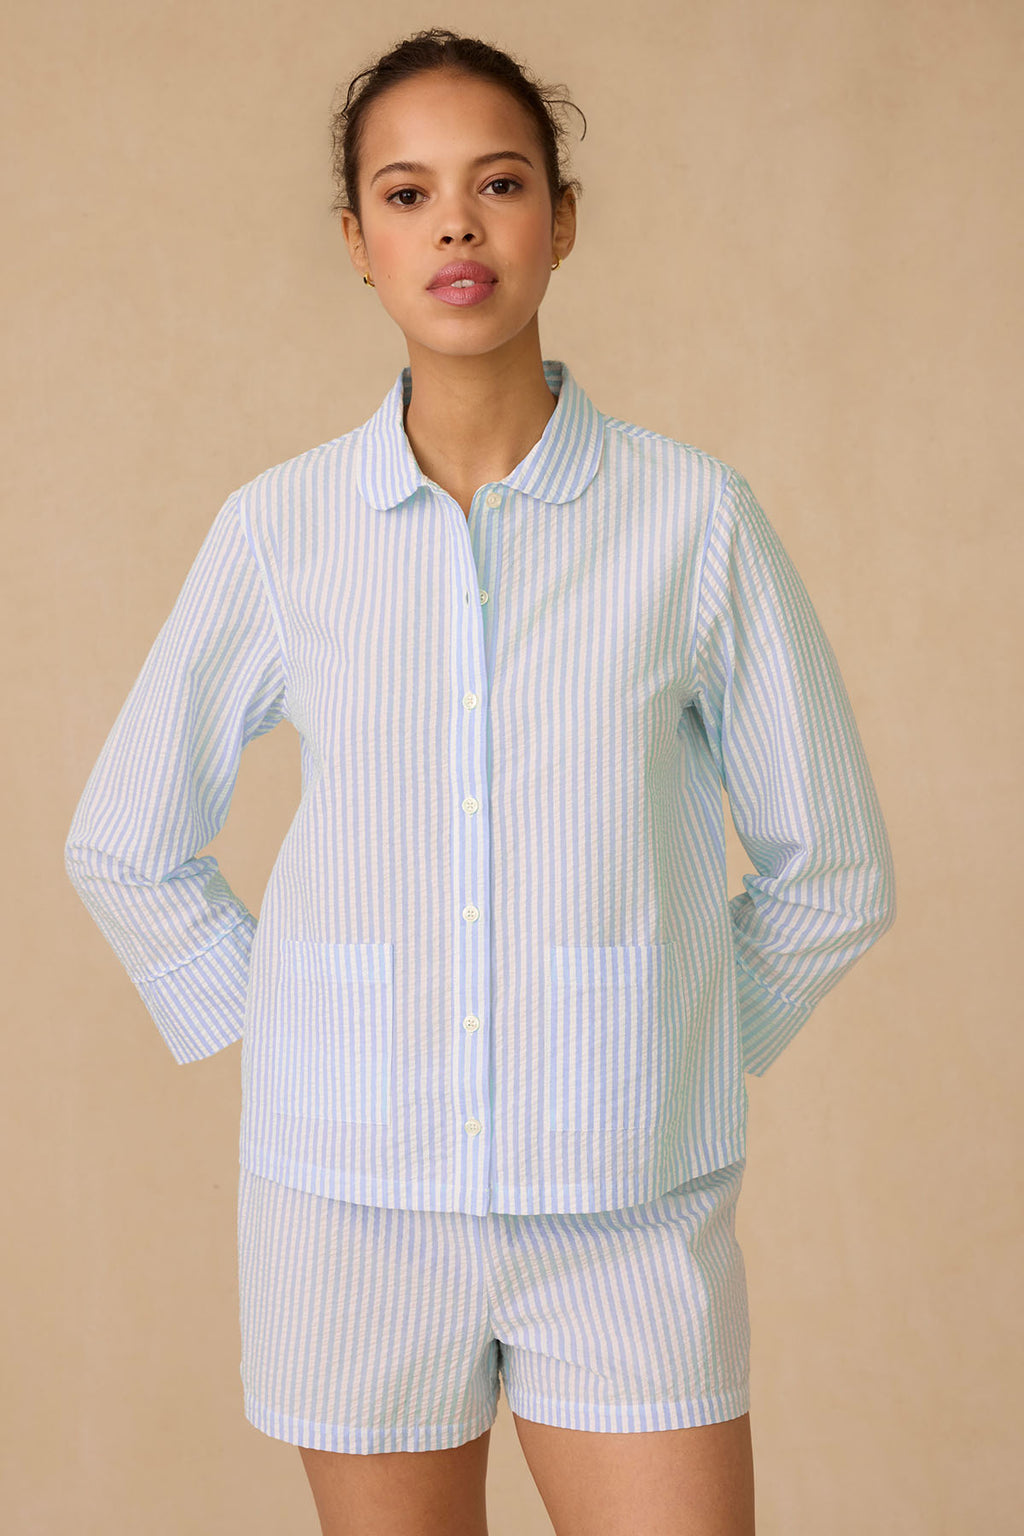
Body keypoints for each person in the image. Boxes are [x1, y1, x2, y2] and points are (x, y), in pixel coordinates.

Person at [63, 26, 897, 1536]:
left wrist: (675, 1040)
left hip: (626, 1204)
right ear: (358, 241)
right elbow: (124, 842)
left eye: (499, 184)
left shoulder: (691, 520)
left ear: (560, 221)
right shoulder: (281, 532)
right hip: (347, 1213)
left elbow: (834, 868)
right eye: (408, 194)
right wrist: (302, 1031)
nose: (455, 225)